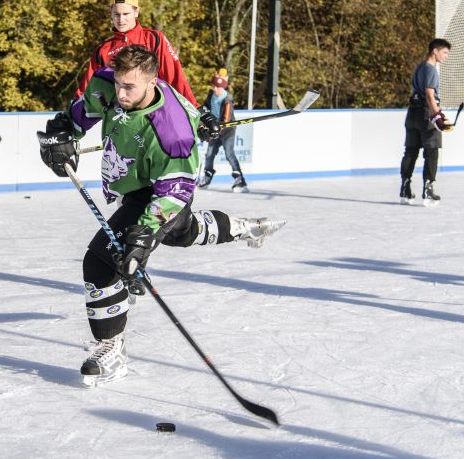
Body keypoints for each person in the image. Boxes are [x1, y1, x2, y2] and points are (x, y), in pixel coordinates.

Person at [38, 44, 285, 385]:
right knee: (182, 233)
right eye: (119, 83)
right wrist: (62, 133)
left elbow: (176, 193)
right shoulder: (107, 84)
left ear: (153, 81)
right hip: (135, 182)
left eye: (130, 87)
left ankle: (111, 348)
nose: (121, 93)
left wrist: (143, 234)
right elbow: (81, 114)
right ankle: (245, 228)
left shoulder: (174, 134)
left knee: (101, 261)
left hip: (160, 192)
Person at [75, 0, 198, 106]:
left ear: (136, 12)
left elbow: (175, 77)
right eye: (116, 14)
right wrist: (72, 110)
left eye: (126, 14)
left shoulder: (154, 39)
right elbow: (88, 87)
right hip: (118, 115)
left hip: (152, 111)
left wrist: (195, 109)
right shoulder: (103, 50)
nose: (121, 19)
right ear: (111, 13)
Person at [399, 38, 452, 205]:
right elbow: (429, 95)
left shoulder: (419, 68)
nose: (446, 56)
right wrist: (437, 115)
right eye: (444, 52)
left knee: (411, 151)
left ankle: (405, 189)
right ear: (434, 51)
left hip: (412, 113)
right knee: (432, 151)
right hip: (425, 113)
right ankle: (428, 191)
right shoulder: (431, 70)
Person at [197, 68, 248, 193]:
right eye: (214, 86)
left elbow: (226, 119)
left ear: (223, 87)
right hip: (214, 129)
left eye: (219, 87)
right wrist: (204, 126)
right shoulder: (211, 96)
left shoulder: (227, 99)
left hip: (227, 131)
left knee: (229, 153)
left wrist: (216, 130)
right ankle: (207, 177)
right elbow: (205, 111)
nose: (216, 89)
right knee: (209, 155)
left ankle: (240, 180)